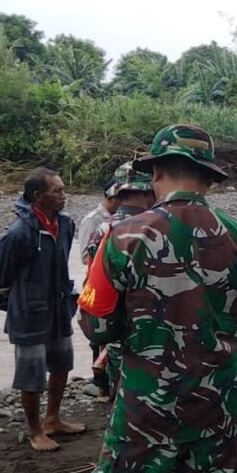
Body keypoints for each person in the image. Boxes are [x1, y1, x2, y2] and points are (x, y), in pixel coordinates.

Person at [78, 124, 237, 473]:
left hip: (147, 406)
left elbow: (95, 325)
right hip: (217, 403)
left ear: (157, 172)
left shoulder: (122, 236)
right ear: (208, 179)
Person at [0, 167, 85, 452]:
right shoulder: (18, 234)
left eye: (63, 189)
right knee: (31, 374)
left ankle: (53, 419)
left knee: (62, 364)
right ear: (38, 196)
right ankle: (35, 431)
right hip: (29, 314)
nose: (64, 196)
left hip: (59, 308)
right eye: (58, 191)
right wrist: (16, 305)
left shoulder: (65, 225)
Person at [81, 161, 156, 400]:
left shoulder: (104, 230)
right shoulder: (155, 229)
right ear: (147, 191)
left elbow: (95, 290)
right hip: (153, 340)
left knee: (122, 403)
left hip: (114, 339)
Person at [78, 178, 121, 399]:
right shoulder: (93, 220)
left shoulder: (120, 220)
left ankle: (107, 381)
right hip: (95, 282)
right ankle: (100, 383)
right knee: (98, 333)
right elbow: (85, 254)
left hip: (111, 282)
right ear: (111, 198)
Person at [78, 180, 121, 265]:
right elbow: (85, 257)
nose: (123, 203)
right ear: (111, 199)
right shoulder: (92, 220)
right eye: (121, 199)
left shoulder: (119, 217)